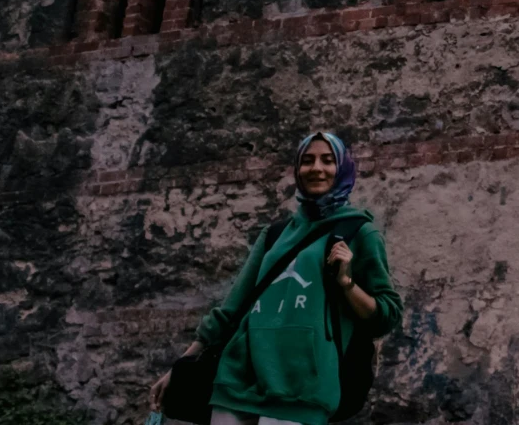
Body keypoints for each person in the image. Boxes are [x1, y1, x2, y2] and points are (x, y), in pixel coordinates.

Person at [150, 130, 401, 425]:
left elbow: (386, 316)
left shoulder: (360, 232)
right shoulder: (276, 233)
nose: (316, 168)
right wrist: (183, 364)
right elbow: (233, 307)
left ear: (342, 167)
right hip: (239, 375)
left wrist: (347, 283)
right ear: (297, 169)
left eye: (327, 160)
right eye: (307, 161)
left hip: (301, 385)